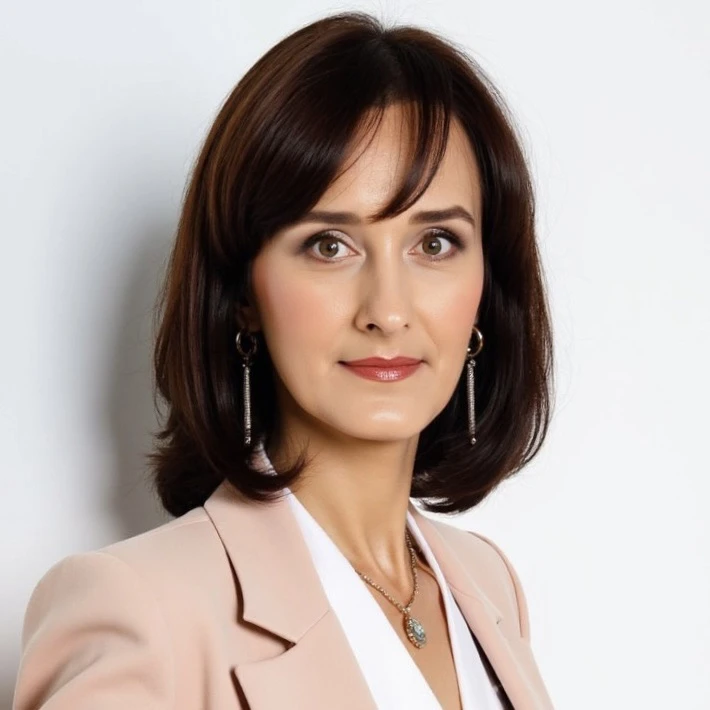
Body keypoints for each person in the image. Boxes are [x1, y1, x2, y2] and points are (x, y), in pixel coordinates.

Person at [13, 10, 555, 710]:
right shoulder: (137, 612)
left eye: (435, 243)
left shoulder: (489, 584)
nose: (388, 310)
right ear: (244, 294)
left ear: (486, 283)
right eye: (330, 245)